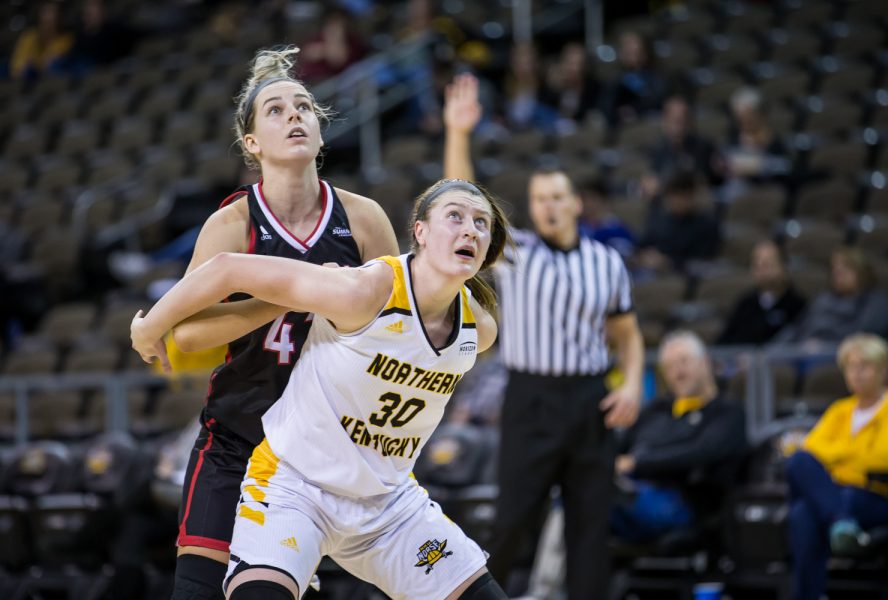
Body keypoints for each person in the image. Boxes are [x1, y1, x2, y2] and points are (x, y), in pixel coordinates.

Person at [132, 178, 511, 599]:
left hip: (388, 503)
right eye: (455, 216)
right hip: (295, 488)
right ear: (420, 231)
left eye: (481, 223)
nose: (470, 230)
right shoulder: (363, 291)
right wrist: (151, 326)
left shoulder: (481, 330)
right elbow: (227, 268)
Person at [140, 46, 399, 600]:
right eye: (276, 110)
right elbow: (184, 336)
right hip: (239, 434)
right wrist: (282, 297)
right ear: (252, 144)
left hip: (328, 448)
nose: (295, 116)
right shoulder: (231, 225)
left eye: (304, 107)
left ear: (322, 134)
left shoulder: (364, 219)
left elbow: (395, 328)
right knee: (198, 592)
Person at [444, 73, 645, 599]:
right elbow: (464, 201)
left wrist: (631, 384)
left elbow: (627, 333)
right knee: (511, 521)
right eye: (539, 199)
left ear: (576, 203)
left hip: (589, 400)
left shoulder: (608, 263)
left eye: (557, 196)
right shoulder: (516, 254)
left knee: (589, 530)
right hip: (531, 397)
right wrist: (459, 134)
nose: (549, 206)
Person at [786, 333, 888, 600]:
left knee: (806, 509)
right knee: (799, 470)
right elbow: (807, 451)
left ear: (883, 370)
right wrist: (851, 455)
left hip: (876, 495)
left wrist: (835, 458)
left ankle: (808, 595)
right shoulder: (840, 410)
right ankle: (842, 523)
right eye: (850, 366)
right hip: (837, 492)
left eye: (864, 366)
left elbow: (887, 459)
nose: (856, 373)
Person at [613, 330, 747, 541]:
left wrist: (638, 462)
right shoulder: (657, 408)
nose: (678, 372)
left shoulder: (727, 411)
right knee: (580, 491)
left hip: (684, 501)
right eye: (670, 367)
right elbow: (621, 443)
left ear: (705, 362)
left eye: (684, 362)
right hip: (630, 491)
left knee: (599, 496)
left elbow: (703, 451)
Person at [774, 247, 888, 347]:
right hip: (802, 353)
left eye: (846, 267)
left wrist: (825, 344)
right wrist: (770, 350)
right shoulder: (822, 299)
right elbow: (797, 328)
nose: (838, 272)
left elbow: (865, 335)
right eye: (835, 268)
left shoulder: (876, 300)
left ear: (862, 270)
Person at [717, 240, 806, 346]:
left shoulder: (798, 306)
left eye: (767, 264)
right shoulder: (745, 304)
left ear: (783, 266)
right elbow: (723, 343)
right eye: (756, 265)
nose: (761, 270)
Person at [636, 169, 721, 273]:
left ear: (692, 196)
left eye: (681, 196)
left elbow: (702, 261)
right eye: (671, 196)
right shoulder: (661, 217)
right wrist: (642, 256)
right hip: (650, 271)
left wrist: (668, 262)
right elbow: (644, 243)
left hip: (683, 278)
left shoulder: (707, 225)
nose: (674, 201)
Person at [9, 2, 73, 81]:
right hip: (25, 77)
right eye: (46, 13)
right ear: (40, 15)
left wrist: (35, 63)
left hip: (47, 77)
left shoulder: (65, 39)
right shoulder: (29, 36)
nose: (50, 18)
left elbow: (48, 63)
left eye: (54, 14)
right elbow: (17, 64)